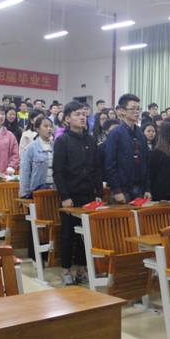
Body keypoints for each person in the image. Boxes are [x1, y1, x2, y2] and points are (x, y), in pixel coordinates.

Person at [53, 101, 103, 285]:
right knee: (68, 234)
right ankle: (66, 269)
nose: (82, 117)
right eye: (77, 114)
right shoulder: (62, 141)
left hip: (88, 195)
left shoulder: (90, 140)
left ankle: (82, 268)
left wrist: (98, 192)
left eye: (84, 114)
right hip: (71, 196)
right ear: (67, 119)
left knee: (85, 234)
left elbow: (97, 168)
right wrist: (65, 196)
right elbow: (58, 171)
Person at [103, 94, 151, 203]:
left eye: (138, 109)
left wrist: (147, 188)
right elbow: (110, 165)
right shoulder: (115, 134)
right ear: (122, 111)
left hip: (140, 189)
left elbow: (146, 162)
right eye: (133, 109)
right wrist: (117, 190)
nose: (137, 112)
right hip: (122, 190)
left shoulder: (140, 134)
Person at [19, 117, 55, 198]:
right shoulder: (30, 148)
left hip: (55, 191)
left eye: (50, 126)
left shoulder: (56, 146)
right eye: (45, 126)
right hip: (38, 191)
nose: (49, 129)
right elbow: (25, 173)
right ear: (38, 129)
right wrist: (25, 194)